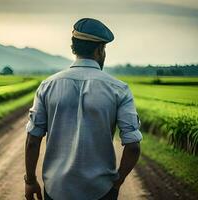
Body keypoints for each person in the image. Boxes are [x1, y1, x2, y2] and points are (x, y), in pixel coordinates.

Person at [24, 18, 143, 200]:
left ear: (74, 49)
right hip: (101, 190)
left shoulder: (47, 86)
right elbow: (133, 147)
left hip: (56, 189)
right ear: (99, 50)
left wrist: (31, 180)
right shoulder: (119, 89)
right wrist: (117, 182)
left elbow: (33, 140)